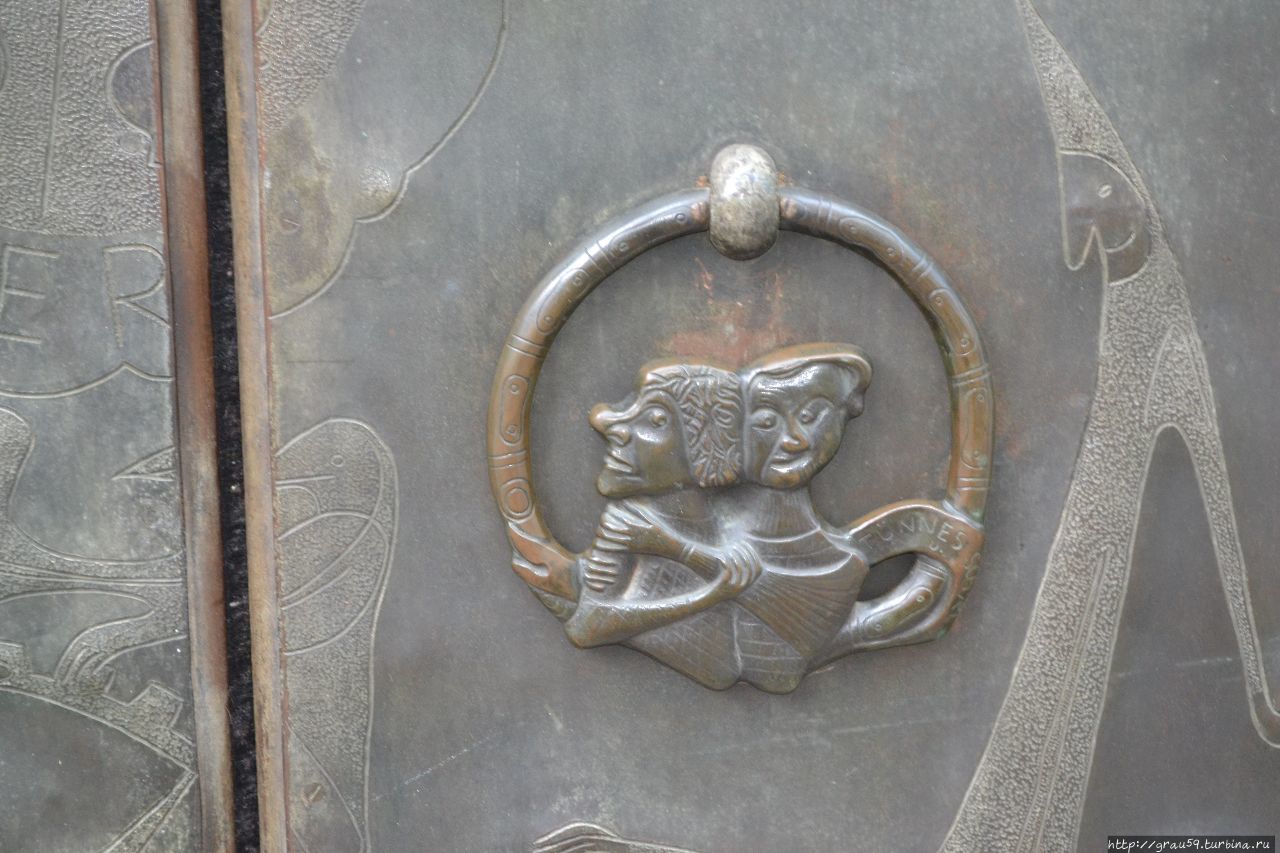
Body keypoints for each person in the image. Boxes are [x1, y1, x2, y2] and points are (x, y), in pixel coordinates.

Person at [599, 344, 874, 693]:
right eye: (766, 422)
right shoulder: (675, 529)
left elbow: (765, 672)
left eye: (811, 416)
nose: (796, 440)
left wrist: (668, 549)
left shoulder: (838, 568)